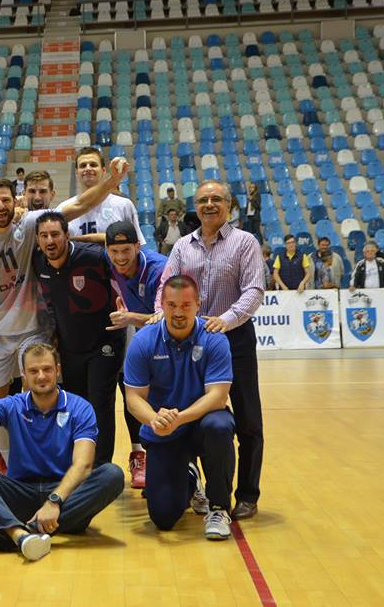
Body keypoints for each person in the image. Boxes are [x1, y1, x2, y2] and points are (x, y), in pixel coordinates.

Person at [0, 161, 130, 472]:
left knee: (42, 391)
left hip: (34, 328)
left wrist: (112, 180)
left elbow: (81, 203)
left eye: (7, 200)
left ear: (15, 200)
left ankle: (60, 459)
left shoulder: (31, 225)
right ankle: (10, 460)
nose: (1, 206)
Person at [0, 336, 124, 562]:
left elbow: (83, 464)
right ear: (23, 374)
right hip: (20, 493)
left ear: (58, 370)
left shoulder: (79, 407)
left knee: (112, 475)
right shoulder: (13, 405)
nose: (41, 376)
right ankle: (19, 534)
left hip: (64, 499)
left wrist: (54, 501)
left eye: (47, 369)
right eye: (33, 371)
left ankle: (11, 533)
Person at [155, 180, 266, 521]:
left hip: (234, 340)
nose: (209, 205)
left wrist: (226, 319)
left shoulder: (244, 242)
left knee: (247, 421)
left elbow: (255, 289)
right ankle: (196, 488)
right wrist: (162, 315)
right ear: (195, 205)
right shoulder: (183, 247)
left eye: (217, 199)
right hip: (189, 345)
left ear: (229, 205)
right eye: (203, 200)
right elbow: (166, 284)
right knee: (189, 413)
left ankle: (247, 494)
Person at [123, 275, 236, 540]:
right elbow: (133, 398)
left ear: (198, 304)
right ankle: (188, 476)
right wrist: (154, 420)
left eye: (186, 305)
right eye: (172, 305)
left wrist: (180, 418)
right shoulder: (143, 341)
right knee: (163, 518)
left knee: (220, 424)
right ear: (162, 305)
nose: (178, 312)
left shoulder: (214, 337)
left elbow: (218, 396)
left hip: (200, 425)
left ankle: (218, 508)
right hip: (164, 431)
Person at [32, 211, 125, 469]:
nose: (50, 241)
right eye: (44, 236)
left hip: (105, 343)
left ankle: (101, 467)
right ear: (37, 240)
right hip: (69, 347)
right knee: (75, 406)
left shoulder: (93, 257)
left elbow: (124, 263)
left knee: (100, 403)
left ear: (67, 235)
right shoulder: (38, 261)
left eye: (55, 234)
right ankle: (79, 463)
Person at [104, 221, 170, 489]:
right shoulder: (110, 261)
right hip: (142, 342)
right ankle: (144, 459)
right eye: (114, 251)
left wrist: (130, 317)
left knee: (162, 406)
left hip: (169, 344)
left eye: (126, 251)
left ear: (137, 246)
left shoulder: (159, 268)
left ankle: (171, 468)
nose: (120, 258)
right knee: (137, 401)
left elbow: (166, 318)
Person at [60, 147, 145, 244]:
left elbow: (137, 244)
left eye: (93, 164)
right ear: (76, 172)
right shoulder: (63, 208)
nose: (88, 168)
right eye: (83, 165)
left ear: (103, 170)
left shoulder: (124, 205)